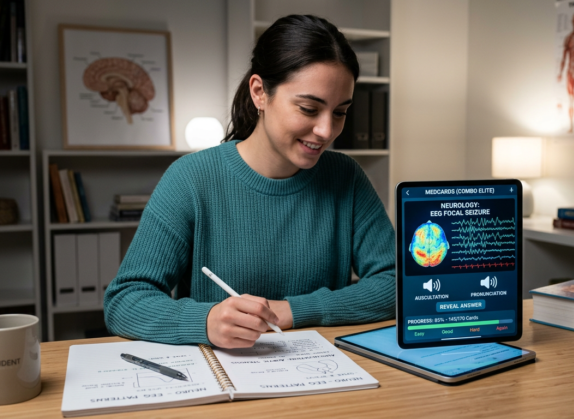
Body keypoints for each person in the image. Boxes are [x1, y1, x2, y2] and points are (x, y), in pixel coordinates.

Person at [103, 15, 395, 349]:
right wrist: (207, 321)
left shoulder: (347, 177)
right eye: (309, 109)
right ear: (260, 93)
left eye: (340, 112)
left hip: (322, 377)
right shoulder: (191, 179)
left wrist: (292, 310)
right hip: (226, 381)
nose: (327, 131)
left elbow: (396, 284)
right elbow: (124, 302)